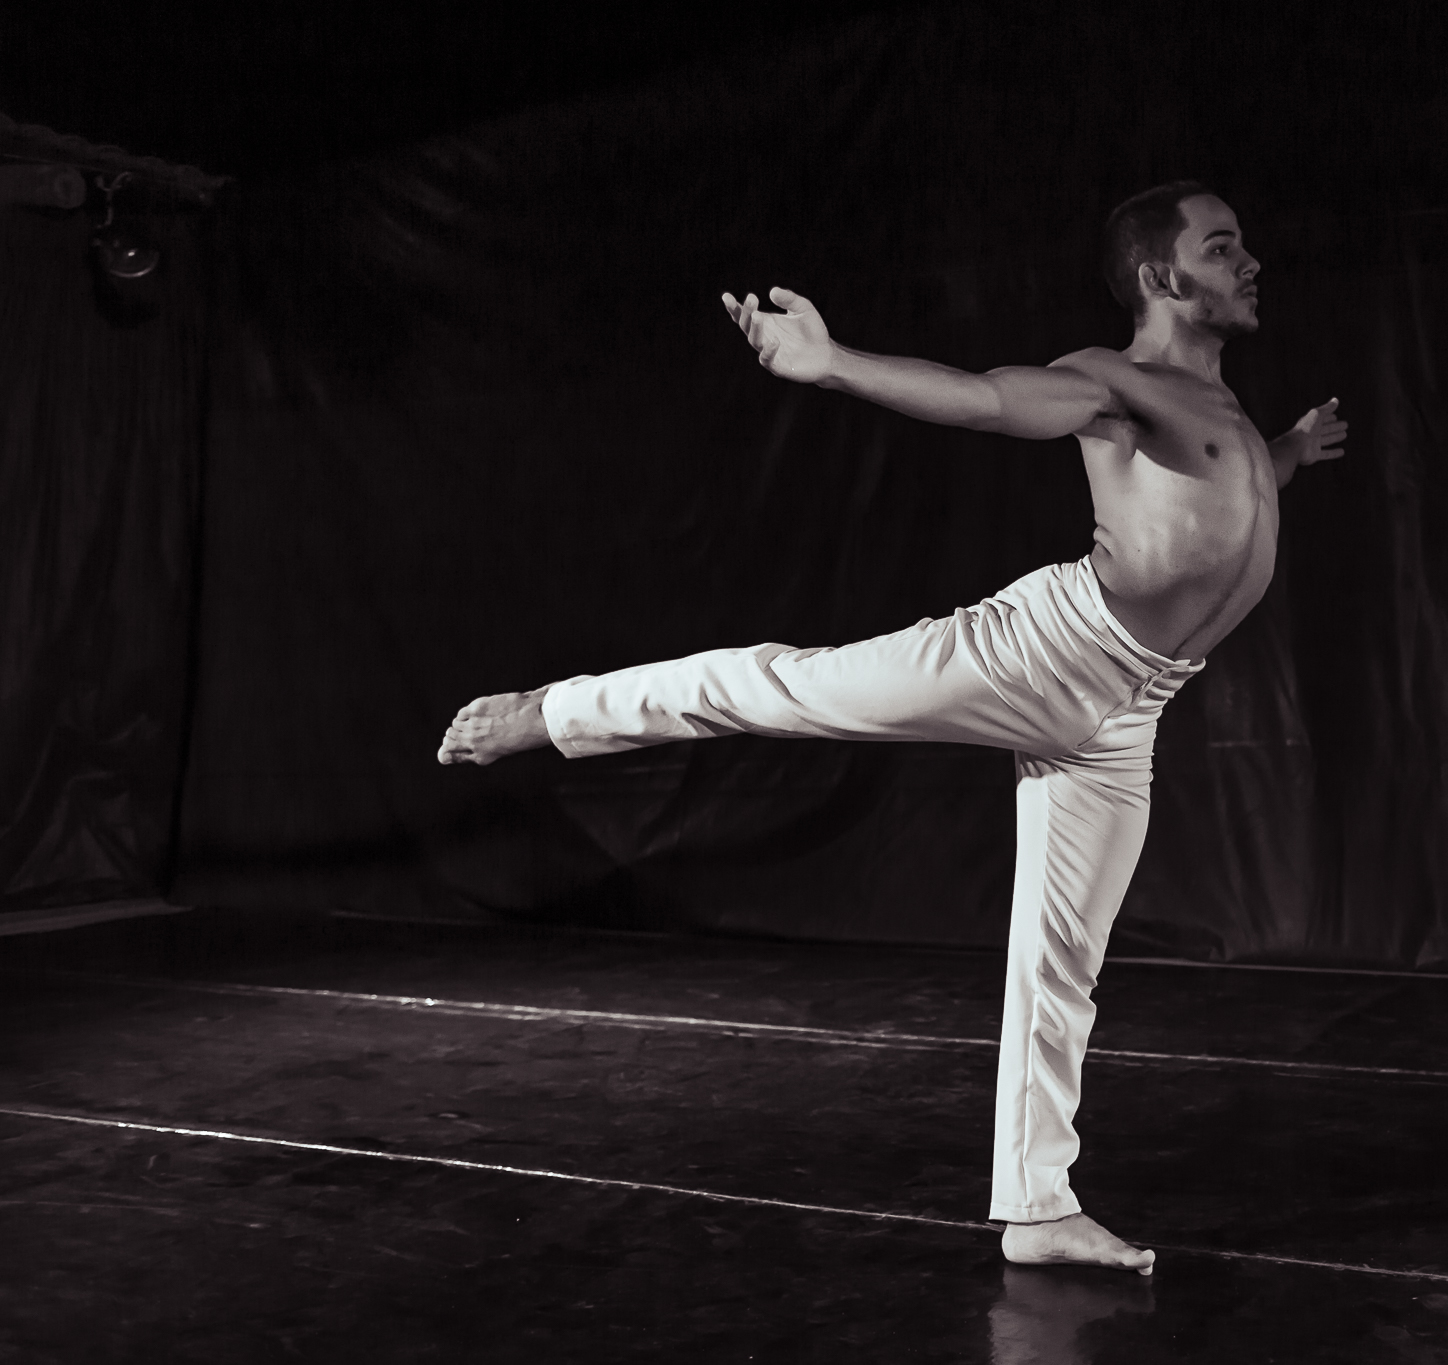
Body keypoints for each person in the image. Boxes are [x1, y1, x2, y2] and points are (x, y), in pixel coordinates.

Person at [437, 182, 1347, 1272]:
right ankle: (551, 712)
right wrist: (833, 364)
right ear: (1162, 277)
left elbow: (1220, 506)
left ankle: (1037, 1207)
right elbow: (986, 399)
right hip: (1044, 652)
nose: (1249, 262)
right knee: (784, 687)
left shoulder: (1226, 414)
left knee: (1061, 958)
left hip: (1130, 708)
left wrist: (1289, 450)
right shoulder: (1117, 384)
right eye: (1222, 247)